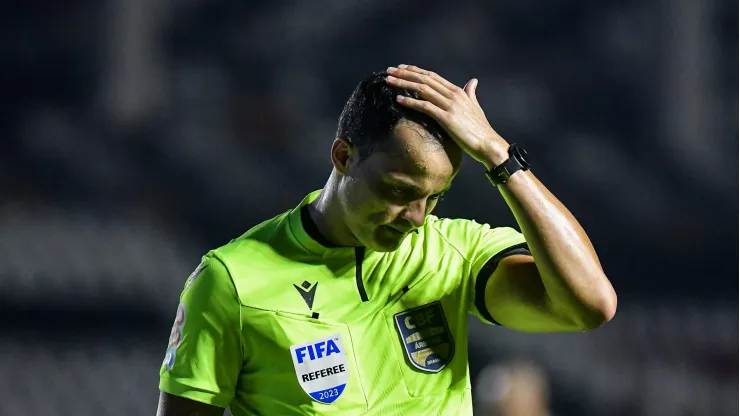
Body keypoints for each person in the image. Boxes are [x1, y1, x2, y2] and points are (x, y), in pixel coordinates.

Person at [156, 65, 617, 416]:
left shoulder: (455, 255)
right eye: (399, 191)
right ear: (343, 155)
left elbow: (590, 305)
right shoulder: (231, 282)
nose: (416, 217)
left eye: (434, 198)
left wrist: (500, 157)